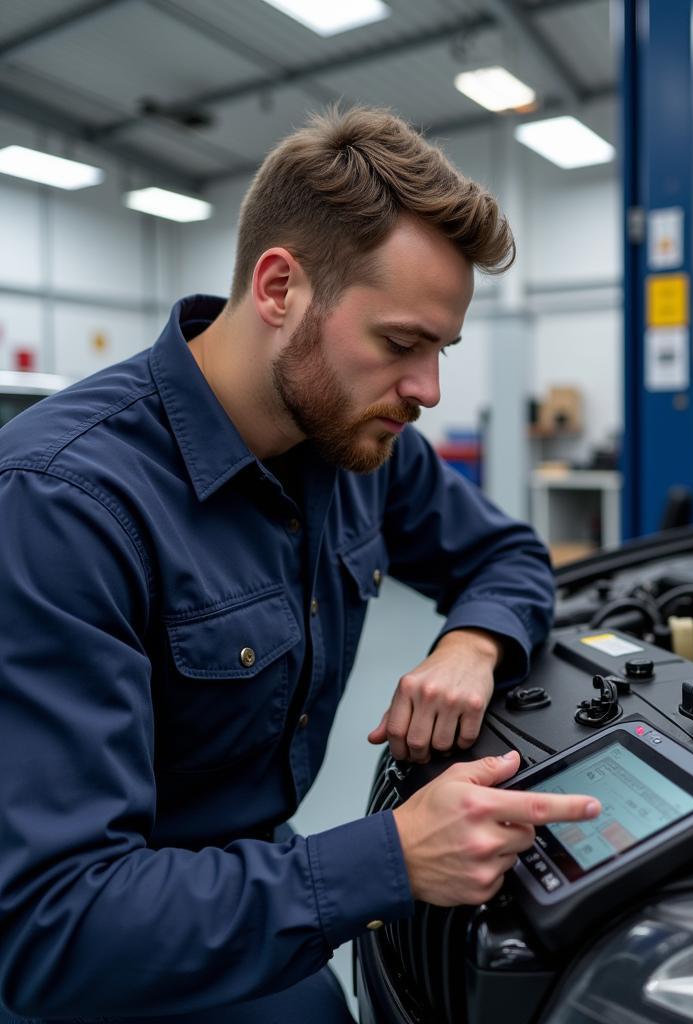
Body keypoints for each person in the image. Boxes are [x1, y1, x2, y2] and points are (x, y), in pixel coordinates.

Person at [0, 107, 599, 1023]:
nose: (429, 391)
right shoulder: (65, 505)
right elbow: (54, 928)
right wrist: (389, 860)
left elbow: (508, 552)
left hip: (252, 904)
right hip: (107, 967)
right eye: (401, 344)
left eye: (441, 350)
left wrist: (473, 642)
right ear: (280, 287)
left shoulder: (354, 446)